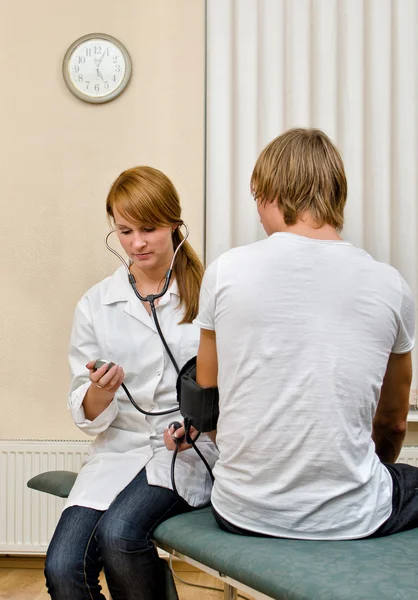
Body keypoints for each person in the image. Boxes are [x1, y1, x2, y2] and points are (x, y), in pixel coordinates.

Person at [168, 127, 416, 541]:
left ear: (273, 195)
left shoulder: (226, 271)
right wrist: (363, 476)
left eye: (257, 199)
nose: (258, 213)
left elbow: (205, 401)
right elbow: (391, 422)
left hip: (239, 510)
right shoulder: (390, 285)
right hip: (351, 518)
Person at [44, 166, 218, 600]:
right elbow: (83, 410)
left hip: (184, 453)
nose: (136, 243)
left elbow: (233, 388)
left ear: (175, 223)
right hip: (117, 453)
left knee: (120, 536)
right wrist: (100, 392)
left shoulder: (210, 295)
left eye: (149, 228)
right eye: (124, 230)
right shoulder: (96, 303)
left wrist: (200, 426)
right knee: (63, 569)